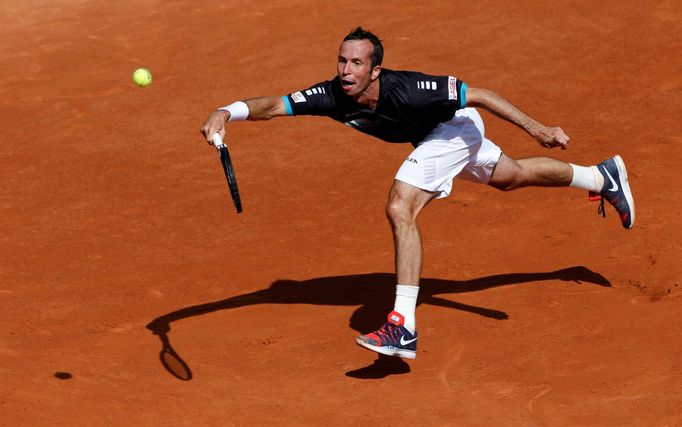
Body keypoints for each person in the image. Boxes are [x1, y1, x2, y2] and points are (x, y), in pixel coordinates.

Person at [200, 27, 635, 360]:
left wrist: (538, 128)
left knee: (399, 206)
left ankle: (402, 326)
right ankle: (601, 178)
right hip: (435, 141)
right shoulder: (334, 95)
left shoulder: (407, 88)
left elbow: (477, 94)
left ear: (376, 70)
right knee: (512, 176)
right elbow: (275, 105)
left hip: (452, 128)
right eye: (341, 61)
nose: (346, 71)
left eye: (356, 63)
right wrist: (227, 112)